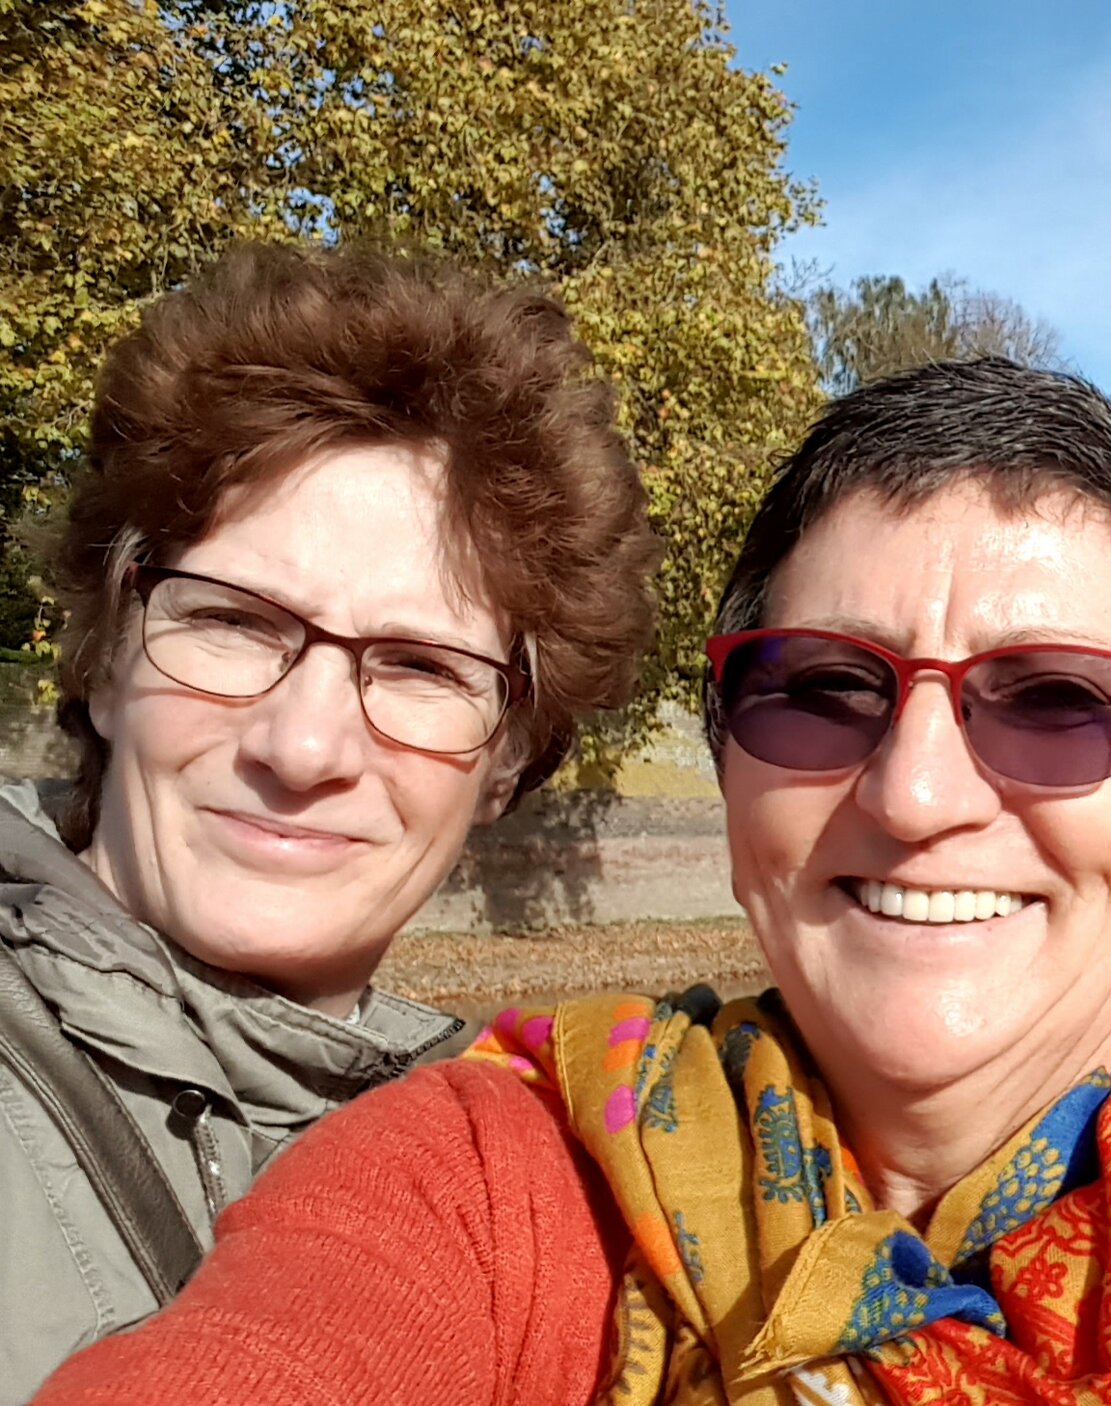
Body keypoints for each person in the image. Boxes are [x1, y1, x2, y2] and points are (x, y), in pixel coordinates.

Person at [36, 359, 1111, 1405]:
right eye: (821, 688)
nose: (913, 790)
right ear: (737, 771)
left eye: (1054, 702)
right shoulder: (472, 1173)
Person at [0, 244, 658, 1399]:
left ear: (507, 758)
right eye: (236, 623)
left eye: (418, 666)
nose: (302, 748)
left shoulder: (551, 1178)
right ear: (104, 652)